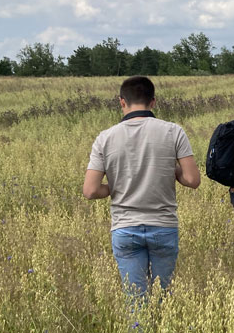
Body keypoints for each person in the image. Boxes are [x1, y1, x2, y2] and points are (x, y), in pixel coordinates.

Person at [82, 76, 201, 295]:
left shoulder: (105, 138)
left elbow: (90, 191)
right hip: (163, 226)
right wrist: (169, 168)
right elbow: (192, 180)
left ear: (122, 102)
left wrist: (116, 184)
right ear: (153, 102)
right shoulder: (173, 131)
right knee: (163, 297)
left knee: (136, 300)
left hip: (125, 227)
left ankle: (140, 330)